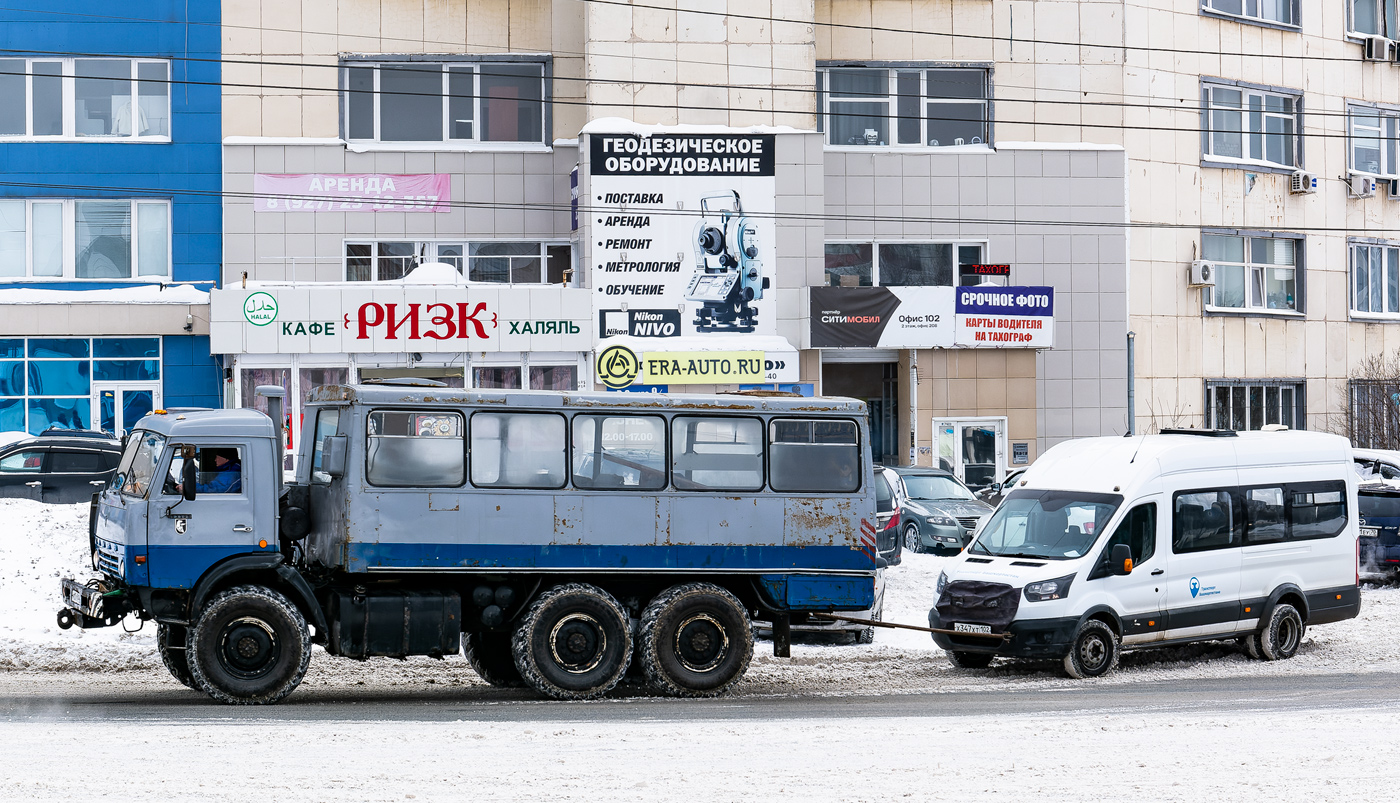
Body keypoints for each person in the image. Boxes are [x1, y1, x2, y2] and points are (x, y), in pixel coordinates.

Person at [177, 450, 242, 494]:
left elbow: (214, 490)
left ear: (226, 459)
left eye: (217, 457)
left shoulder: (231, 473)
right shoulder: (227, 470)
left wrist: (189, 488)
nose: (215, 460)